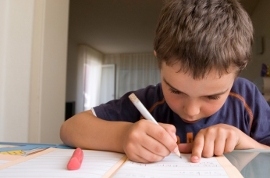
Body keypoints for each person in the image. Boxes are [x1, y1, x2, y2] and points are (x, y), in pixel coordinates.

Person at [60, 0, 270, 163]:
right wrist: (122, 136)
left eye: (213, 96)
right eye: (176, 91)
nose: (192, 111)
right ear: (159, 62)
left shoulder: (247, 99)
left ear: (238, 71)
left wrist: (246, 144)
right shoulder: (149, 101)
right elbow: (69, 129)